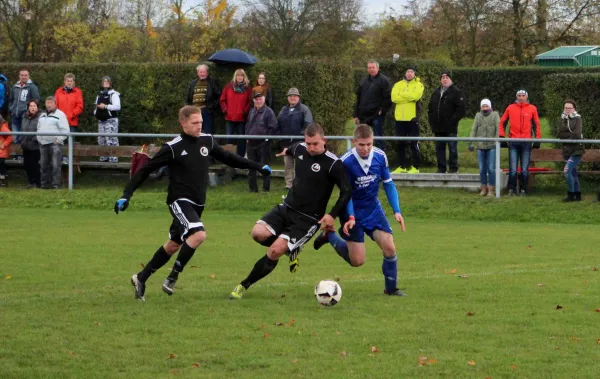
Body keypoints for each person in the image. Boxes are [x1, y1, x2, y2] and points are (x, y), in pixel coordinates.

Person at [114, 106, 271, 301]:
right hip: (179, 200)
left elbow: (230, 158)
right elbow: (145, 170)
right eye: (194, 123)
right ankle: (173, 277)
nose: (199, 126)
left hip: (197, 203)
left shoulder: (207, 140)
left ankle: (141, 278)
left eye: (201, 122)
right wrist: (126, 195)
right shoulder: (172, 147)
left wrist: (257, 167)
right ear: (183, 123)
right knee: (198, 234)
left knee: (173, 244)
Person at [229, 122, 352, 300]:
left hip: (308, 220)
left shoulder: (333, 164)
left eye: (315, 144)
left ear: (323, 140)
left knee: (274, 251)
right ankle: (291, 250)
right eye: (308, 143)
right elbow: (292, 149)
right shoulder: (300, 148)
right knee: (257, 233)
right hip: (286, 208)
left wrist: (331, 215)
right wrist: (286, 151)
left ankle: (243, 285)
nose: (311, 148)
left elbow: (347, 191)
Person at [313, 124, 407, 296]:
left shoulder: (380, 156)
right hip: (352, 211)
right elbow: (346, 193)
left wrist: (397, 210)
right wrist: (350, 216)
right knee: (357, 261)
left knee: (390, 248)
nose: (365, 148)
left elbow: (388, 184)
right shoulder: (346, 162)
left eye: (369, 144)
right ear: (354, 142)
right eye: (361, 145)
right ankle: (331, 236)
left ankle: (391, 289)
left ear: (373, 141)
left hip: (373, 209)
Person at [499, 89, 541, 196]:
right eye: (519, 95)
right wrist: (502, 136)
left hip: (526, 142)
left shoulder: (532, 108)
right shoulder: (510, 108)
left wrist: (538, 139)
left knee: (524, 169)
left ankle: (524, 189)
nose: (521, 97)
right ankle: (511, 189)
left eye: (523, 95)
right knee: (513, 168)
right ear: (516, 97)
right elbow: (502, 122)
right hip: (513, 141)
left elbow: (537, 124)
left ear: (526, 97)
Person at [427, 70, 466, 173]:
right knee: (439, 149)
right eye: (442, 78)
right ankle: (441, 168)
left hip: (450, 127)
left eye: (446, 77)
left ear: (450, 79)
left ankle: (453, 168)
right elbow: (430, 109)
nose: (444, 79)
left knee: (452, 148)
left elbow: (461, 110)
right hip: (438, 127)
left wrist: (452, 121)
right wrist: (432, 122)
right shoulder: (436, 92)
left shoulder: (457, 92)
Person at [278, 88, 313, 190]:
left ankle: (301, 184)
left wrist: (300, 136)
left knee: (300, 165)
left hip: (300, 143)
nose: (292, 98)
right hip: (286, 144)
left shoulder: (304, 109)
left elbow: (308, 124)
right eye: (290, 96)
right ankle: (289, 185)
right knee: (288, 165)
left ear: (298, 97)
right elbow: (279, 124)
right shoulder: (283, 110)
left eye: (295, 96)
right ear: (288, 98)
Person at [391, 66, 424, 174]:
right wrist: (408, 97)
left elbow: (415, 97)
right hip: (399, 118)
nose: (409, 73)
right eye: (407, 72)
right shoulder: (398, 84)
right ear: (405, 74)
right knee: (400, 144)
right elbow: (394, 98)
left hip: (412, 118)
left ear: (414, 74)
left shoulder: (419, 85)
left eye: (411, 72)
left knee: (414, 143)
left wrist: (402, 96)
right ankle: (402, 166)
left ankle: (415, 167)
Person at [353, 60, 391, 151]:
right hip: (363, 114)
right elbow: (358, 98)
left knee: (378, 137)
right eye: (369, 68)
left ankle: (380, 156)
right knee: (362, 136)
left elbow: (388, 98)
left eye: (373, 67)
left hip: (376, 114)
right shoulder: (363, 81)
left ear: (377, 68)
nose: (371, 69)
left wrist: (382, 109)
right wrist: (356, 114)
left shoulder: (384, 81)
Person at [246, 92, 278, 193]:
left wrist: (266, 139)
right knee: (251, 167)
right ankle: (253, 189)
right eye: (256, 99)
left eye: (260, 99)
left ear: (264, 100)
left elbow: (273, 127)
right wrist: (246, 136)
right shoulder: (251, 111)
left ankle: (266, 188)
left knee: (264, 166)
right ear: (254, 100)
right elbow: (247, 125)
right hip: (251, 143)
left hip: (263, 144)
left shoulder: (269, 112)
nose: (258, 101)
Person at [468, 99, 499, 196]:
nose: (485, 108)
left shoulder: (495, 115)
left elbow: (498, 129)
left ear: (490, 106)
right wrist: (471, 142)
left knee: (491, 169)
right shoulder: (478, 116)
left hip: (492, 146)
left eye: (486, 106)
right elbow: (474, 130)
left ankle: (491, 189)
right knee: (482, 169)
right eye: (483, 106)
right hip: (480, 146)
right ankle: (483, 188)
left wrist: (496, 141)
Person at [37, 96, 69, 189]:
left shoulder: (60, 115)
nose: (49, 105)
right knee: (43, 165)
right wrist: (39, 138)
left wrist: (58, 140)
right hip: (43, 143)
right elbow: (38, 128)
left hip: (54, 144)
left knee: (56, 165)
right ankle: (45, 184)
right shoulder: (42, 115)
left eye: (51, 103)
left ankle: (56, 184)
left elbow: (65, 130)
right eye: (47, 103)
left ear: (55, 104)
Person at [220, 69, 252, 157]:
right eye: (238, 75)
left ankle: (240, 158)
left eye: (241, 75)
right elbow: (222, 100)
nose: (240, 77)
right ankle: (229, 159)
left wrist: (245, 111)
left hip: (242, 118)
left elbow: (250, 102)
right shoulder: (228, 86)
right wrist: (226, 110)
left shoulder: (248, 88)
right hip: (229, 117)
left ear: (244, 77)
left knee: (241, 139)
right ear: (235, 76)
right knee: (229, 139)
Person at [9, 69, 41, 156]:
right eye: (22, 75)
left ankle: (23, 155)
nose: (24, 77)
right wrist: (11, 108)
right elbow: (11, 99)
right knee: (15, 137)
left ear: (28, 76)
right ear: (19, 76)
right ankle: (17, 155)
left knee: (24, 136)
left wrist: (29, 110)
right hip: (15, 115)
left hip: (26, 116)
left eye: (25, 75)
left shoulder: (32, 87)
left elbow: (37, 99)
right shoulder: (14, 87)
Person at [557, 100, 584, 202]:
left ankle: (571, 194)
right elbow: (559, 134)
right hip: (566, 150)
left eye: (570, 108)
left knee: (567, 171)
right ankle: (577, 195)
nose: (567, 110)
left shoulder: (578, 118)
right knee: (572, 173)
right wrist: (568, 136)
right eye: (566, 108)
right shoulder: (562, 119)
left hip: (576, 150)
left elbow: (577, 134)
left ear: (574, 109)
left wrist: (566, 135)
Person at [186, 64, 221, 135]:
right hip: (195, 111)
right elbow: (188, 97)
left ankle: (208, 146)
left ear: (207, 73)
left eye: (204, 72)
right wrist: (188, 108)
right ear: (197, 73)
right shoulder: (193, 83)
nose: (202, 74)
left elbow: (220, 96)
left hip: (207, 110)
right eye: (200, 72)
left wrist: (212, 106)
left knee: (208, 132)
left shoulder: (212, 82)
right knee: (195, 130)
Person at [94, 76, 121, 163]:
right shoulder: (99, 95)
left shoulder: (114, 94)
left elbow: (117, 107)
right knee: (101, 140)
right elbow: (96, 106)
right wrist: (96, 111)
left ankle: (113, 159)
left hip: (111, 121)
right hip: (101, 121)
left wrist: (105, 106)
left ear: (110, 83)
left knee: (112, 139)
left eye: (107, 81)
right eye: (104, 81)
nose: (105, 82)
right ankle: (103, 158)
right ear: (102, 83)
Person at [20, 100, 42, 188]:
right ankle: (30, 182)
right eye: (31, 106)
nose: (32, 108)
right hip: (25, 145)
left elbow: (42, 129)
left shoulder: (41, 116)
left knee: (35, 165)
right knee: (27, 164)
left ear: (37, 107)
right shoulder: (24, 116)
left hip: (35, 145)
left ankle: (37, 183)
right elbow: (22, 128)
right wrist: (22, 138)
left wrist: (35, 138)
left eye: (34, 106)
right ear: (28, 107)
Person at [0, 115, 13, 187]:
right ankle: (3, 181)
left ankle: (3, 181)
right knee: (1, 166)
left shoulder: (3, 127)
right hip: (1, 151)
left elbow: (10, 137)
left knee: (1, 166)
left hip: (2, 151)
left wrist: (4, 145)